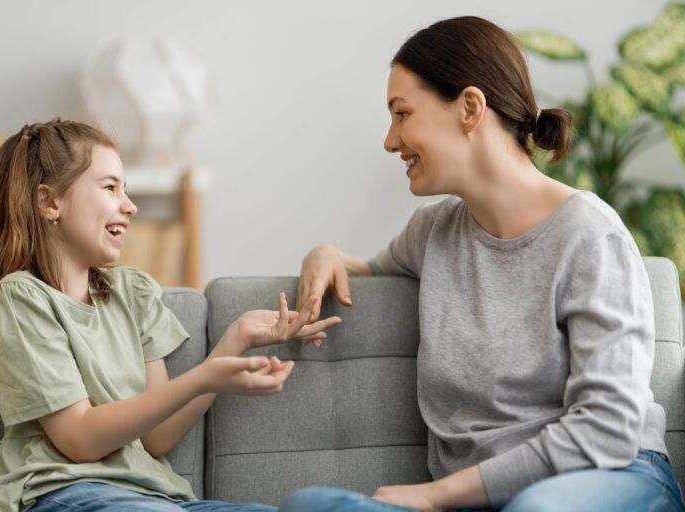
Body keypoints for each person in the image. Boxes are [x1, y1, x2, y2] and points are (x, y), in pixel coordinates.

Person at [281, 16, 685, 512]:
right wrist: (324, 254)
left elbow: (607, 430)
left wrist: (436, 495)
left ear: (470, 108)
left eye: (402, 114)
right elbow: (366, 267)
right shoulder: (433, 233)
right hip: (481, 503)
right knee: (310, 506)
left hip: (609, 477)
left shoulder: (589, 234)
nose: (390, 140)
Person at [0, 118, 340, 512]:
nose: (130, 205)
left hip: (154, 497)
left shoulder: (132, 293)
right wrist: (203, 377)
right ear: (50, 202)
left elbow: (156, 438)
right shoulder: (21, 298)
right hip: (66, 492)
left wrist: (235, 340)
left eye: (127, 189)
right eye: (110, 187)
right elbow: (79, 439)